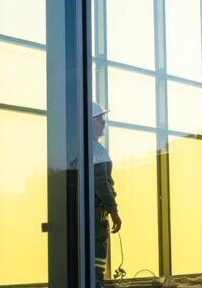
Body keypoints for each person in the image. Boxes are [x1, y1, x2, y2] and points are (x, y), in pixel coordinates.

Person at [92, 102, 121, 285]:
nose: (104, 124)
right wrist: (114, 211)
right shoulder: (97, 151)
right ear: (91, 122)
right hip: (97, 213)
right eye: (100, 121)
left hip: (92, 211)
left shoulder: (79, 148)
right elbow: (102, 183)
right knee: (98, 252)